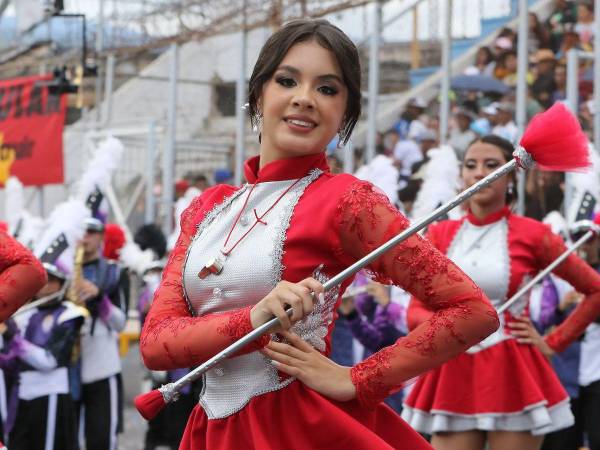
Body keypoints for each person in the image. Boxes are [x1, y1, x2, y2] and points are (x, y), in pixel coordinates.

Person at [140, 19, 499, 450]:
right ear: (258, 94)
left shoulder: (349, 202)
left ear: (346, 113)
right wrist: (253, 319)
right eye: (287, 80)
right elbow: (156, 344)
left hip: (300, 430)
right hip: (213, 431)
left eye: (327, 89)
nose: (305, 99)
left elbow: (472, 309)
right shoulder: (206, 207)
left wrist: (358, 379)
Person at [401, 135, 600, 450]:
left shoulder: (534, 234)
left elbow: (595, 290)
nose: (480, 172)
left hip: (513, 370)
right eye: (471, 165)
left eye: (491, 165)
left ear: (510, 175)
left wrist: (553, 342)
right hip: (453, 370)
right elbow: (414, 310)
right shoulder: (439, 234)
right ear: (462, 175)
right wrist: (446, 330)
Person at [6, 262, 85, 450]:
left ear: (62, 284)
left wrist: (12, 338)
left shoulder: (69, 314)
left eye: (51, 281)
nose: (45, 287)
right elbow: (9, 361)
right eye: (41, 281)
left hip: (50, 397)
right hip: (20, 397)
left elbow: (49, 360)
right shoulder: (24, 314)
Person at [76, 218, 128, 450]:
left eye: (91, 232)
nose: (85, 238)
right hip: (68, 369)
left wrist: (99, 298)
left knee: (102, 440)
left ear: (101, 237)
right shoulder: (64, 271)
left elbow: (120, 323)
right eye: (81, 232)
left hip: (101, 368)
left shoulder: (114, 272)